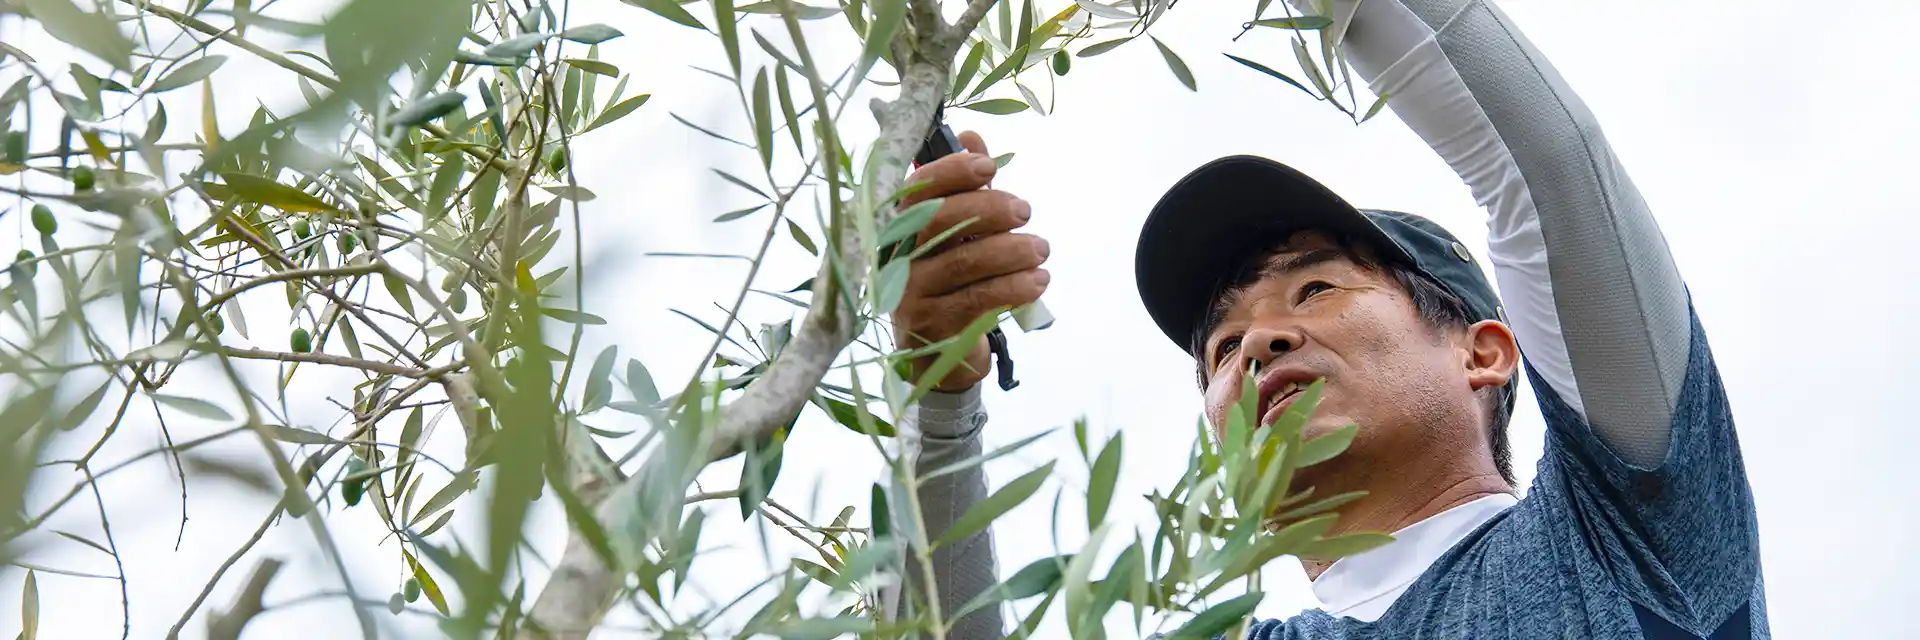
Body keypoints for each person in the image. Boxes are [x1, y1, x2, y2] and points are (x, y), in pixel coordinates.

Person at [890, 0, 1767, 637]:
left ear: (1486, 352)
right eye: (1223, 349)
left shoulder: (1626, 530)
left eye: (1316, 291)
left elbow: (1550, 173)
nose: (1260, 344)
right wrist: (937, 394)